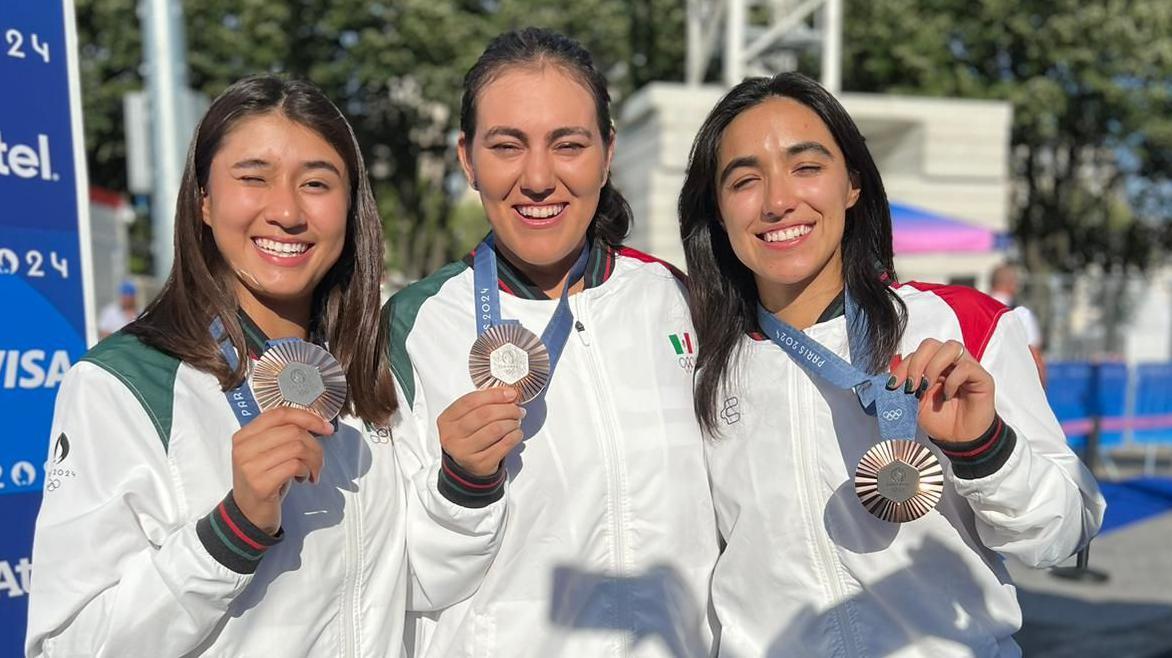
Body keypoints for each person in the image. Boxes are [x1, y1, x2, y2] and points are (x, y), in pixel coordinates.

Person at [27, 75, 503, 657]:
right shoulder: (125, 383)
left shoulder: (368, 375)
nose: (285, 210)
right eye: (253, 178)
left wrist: (465, 480)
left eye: (316, 183)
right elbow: (66, 645)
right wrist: (233, 529)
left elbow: (414, 587)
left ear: (350, 209)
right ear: (203, 199)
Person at [678, 72, 1105, 657]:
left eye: (807, 168)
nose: (778, 201)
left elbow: (1063, 532)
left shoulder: (961, 326)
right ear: (718, 211)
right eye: (745, 180)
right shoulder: (703, 364)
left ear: (853, 183)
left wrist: (984, 449)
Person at [387, 27, 720, 658]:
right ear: (467, 159)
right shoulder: (414, 325)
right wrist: (461, 484)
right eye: (507, 146)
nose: (538, 178)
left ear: (607, 153)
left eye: (568, 145)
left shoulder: (678, 301)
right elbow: (392, 578)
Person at [989, 262, 1047, 386]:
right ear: (1012, 285)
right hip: (1012, 388)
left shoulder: (975, 310)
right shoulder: (1020, 314)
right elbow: (1035, 357)